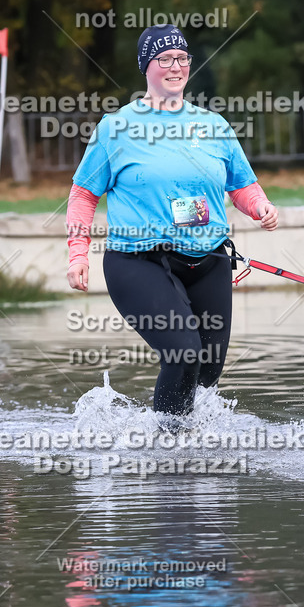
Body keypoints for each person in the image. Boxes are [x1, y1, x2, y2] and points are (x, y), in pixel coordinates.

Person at [65, 24, 278, 420]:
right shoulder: (117, 128)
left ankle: (192, 453)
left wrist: (260, 206)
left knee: (208, 369)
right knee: (183, 353)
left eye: (182, 58)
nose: (176, 66)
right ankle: (167, 450)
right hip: (139, 262)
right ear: (147, 66)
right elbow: (83, 194)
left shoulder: (213, 126)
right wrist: (78, 254)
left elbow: (243, 185)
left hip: (208, 260)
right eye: (165, 59)